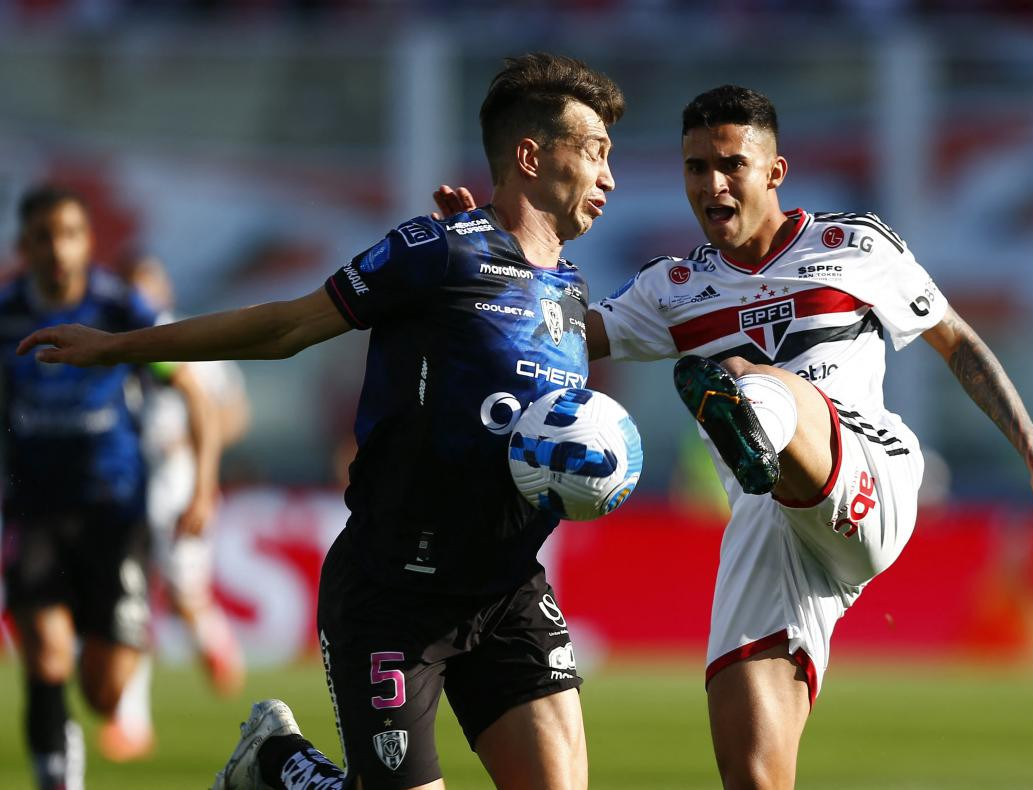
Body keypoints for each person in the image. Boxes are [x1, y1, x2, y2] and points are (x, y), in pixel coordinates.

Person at [435, 84, 1033, 789]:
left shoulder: (854, 245)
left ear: (773, 173)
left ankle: (745, 412)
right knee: (751, 768)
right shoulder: (673, 287)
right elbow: (550, 334)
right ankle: (745, 420)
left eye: (729, 165)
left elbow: (956, 342)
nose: (711, 183)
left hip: (869, 466)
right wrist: (492, 256)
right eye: (694, 168)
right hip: (770, 524)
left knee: (760, 381)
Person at [19, 52, 624, 790]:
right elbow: (284, 328)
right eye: (594, 153)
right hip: (393, 593)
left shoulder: (566, 287)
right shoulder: (436, 251)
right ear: (530, 155)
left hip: (507, 591)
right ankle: (279, 762)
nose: (609, 177)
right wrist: (119, 348)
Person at [0, 185, 220, 788]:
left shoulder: (121, 309)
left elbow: (193, 395)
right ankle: (57, 773)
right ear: (25, 244)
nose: (56, 249)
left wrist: (202, 487)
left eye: (68, 234)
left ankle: (105, 633)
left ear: (87, 241)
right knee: (44, 656)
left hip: (114, 511)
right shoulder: (5, 313)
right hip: (33, 508)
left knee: (103, 693)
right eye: (42, 236)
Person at [98, 253, 248, 763]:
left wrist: (192, 451)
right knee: (129, 598)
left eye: (149, 284)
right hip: (124, 478)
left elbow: (232, 413)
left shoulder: (191, 338)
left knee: (183, 591)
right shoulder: (113, 339)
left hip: (179, 478)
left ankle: (211, 636)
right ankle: (130, 722)